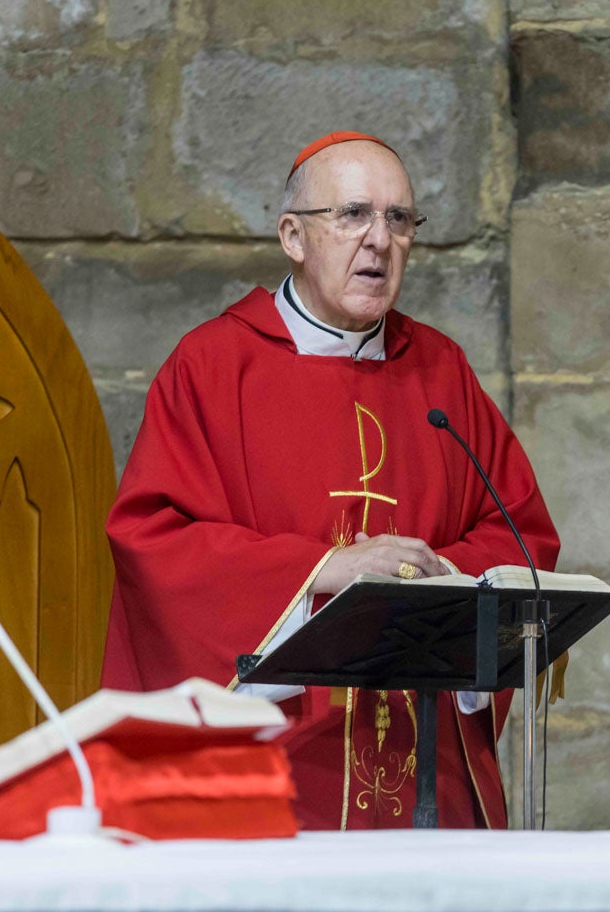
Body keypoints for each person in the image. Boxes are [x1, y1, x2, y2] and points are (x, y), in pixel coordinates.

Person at [102, 131, 560, 830]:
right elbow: (154, 540)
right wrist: (323, 569)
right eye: (352, 216)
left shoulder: (440, 370)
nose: (379, 240)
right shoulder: (214, 366)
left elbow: (519, 531)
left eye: (399, 219)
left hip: (422, 762)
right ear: (293, 235)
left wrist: (429, 580)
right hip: (274, 760)